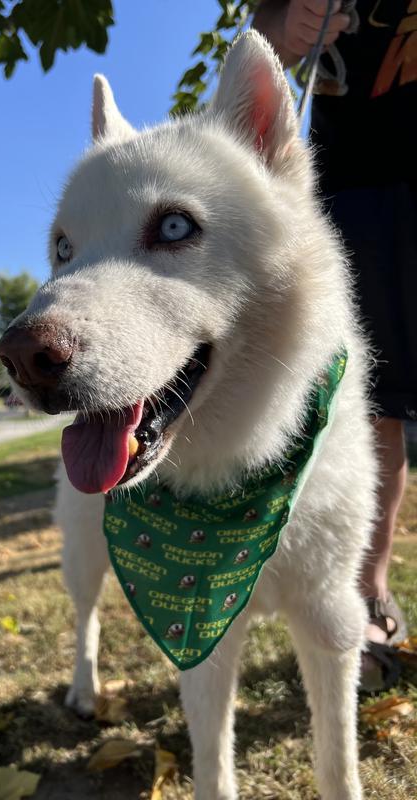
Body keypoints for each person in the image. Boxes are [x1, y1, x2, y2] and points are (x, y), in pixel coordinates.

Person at [253, 0, 416, 688]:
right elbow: (263, 36)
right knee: (374, 404)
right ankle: (366, 590)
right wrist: (284, 26)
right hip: (352, 189)